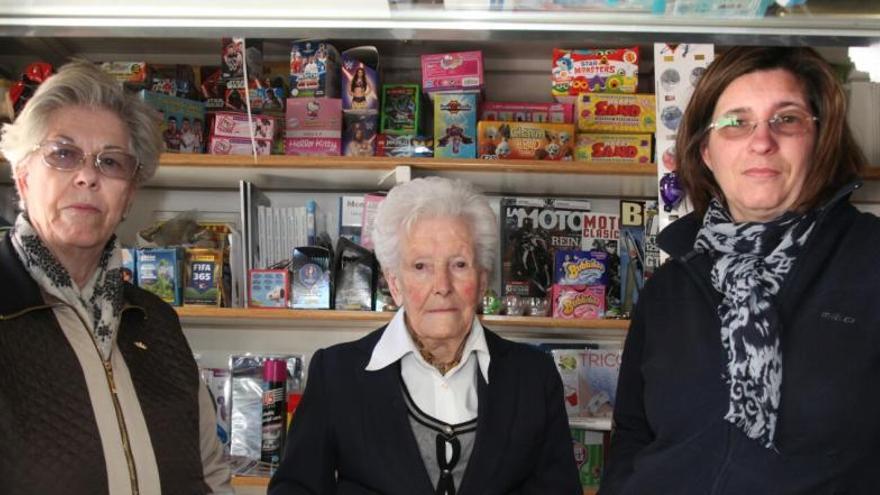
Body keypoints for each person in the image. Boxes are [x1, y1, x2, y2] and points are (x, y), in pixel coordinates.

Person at [601, 46, 880, 494]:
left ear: (821, 141)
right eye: (736, 122)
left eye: (786, 119)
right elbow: (634, 432)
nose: (761, 141)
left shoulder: (869, 261)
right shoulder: (673, 282)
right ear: (707, 152)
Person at [0, 61, 231, 494]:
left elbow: (210, 473)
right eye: (63, 154)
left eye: (111, 162)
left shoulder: (156, 322)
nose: (88, 176)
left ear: (129, 195)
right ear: (24, 175)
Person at [269, 177, 580, 495]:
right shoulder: (336, 373)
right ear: (394, 283)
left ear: (483, 279)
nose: (442, 285)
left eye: (459, 264)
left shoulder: (533, 376)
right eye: (421, 267)